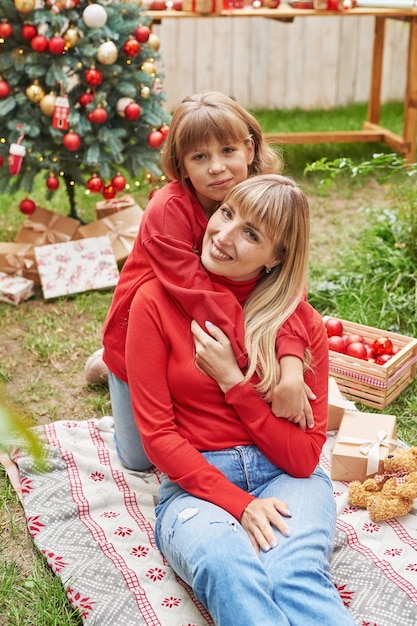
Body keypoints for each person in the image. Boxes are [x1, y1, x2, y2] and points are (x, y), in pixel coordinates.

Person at [124, 174, 356, 626]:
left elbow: (304, 459)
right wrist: (241, 504)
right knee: (228, 567)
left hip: (287, 479)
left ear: (276, 258)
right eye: (226, 213)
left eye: (251, 233)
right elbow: (157, 437)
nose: (223, 234)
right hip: (196, 483)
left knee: (292, 574)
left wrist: (235, 384)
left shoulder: (301, 326)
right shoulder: (154, 301)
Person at [100, 92, 314, 472]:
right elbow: (199, 296)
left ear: (249, 149)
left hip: (214, 328)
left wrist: (292, 365)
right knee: (140, 459)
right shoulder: (167, 211)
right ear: (181, 166)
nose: (217, 168)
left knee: (209, 422)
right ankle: (109, 370)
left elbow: (288, 286)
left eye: (228, 150)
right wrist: (259, 371)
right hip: (151, 325)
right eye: (200, 157)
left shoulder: (264, 195)